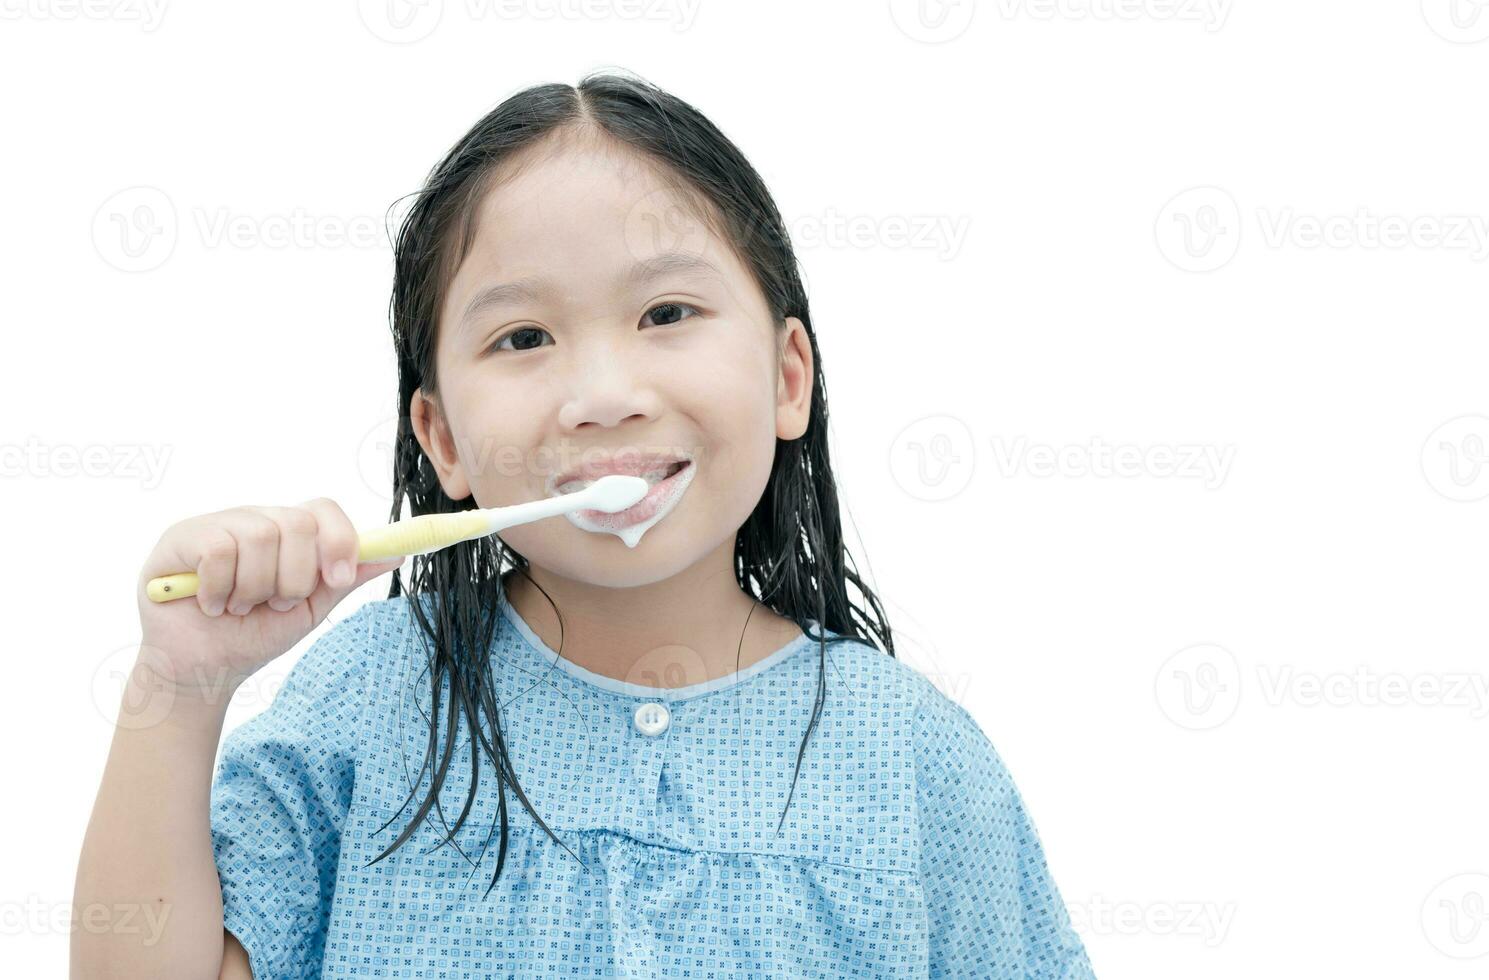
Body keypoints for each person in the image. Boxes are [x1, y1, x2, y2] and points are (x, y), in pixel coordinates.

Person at [73, 69, 1097, 979]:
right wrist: (183, 683)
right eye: (524, 336)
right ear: (442, 439)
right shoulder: (367, 699)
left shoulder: (915, 758)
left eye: (665, 315)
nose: (603, 394)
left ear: (788, 378)